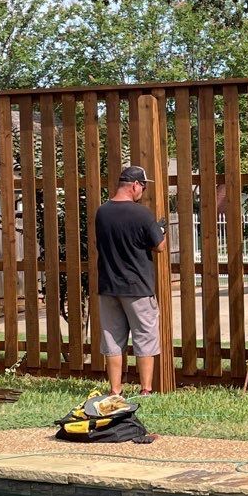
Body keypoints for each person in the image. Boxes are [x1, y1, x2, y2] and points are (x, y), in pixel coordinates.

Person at [94, 164, 168, 396]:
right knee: (144, 336)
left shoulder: (102, 212)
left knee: (113, 340)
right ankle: (145, 390)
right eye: (143, 186)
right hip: (137, 287)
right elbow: (159, 247)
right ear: (135, 185)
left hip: (108, 286)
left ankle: (115, 391)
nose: (143, 191)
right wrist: (161, 231)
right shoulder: (142, 214)